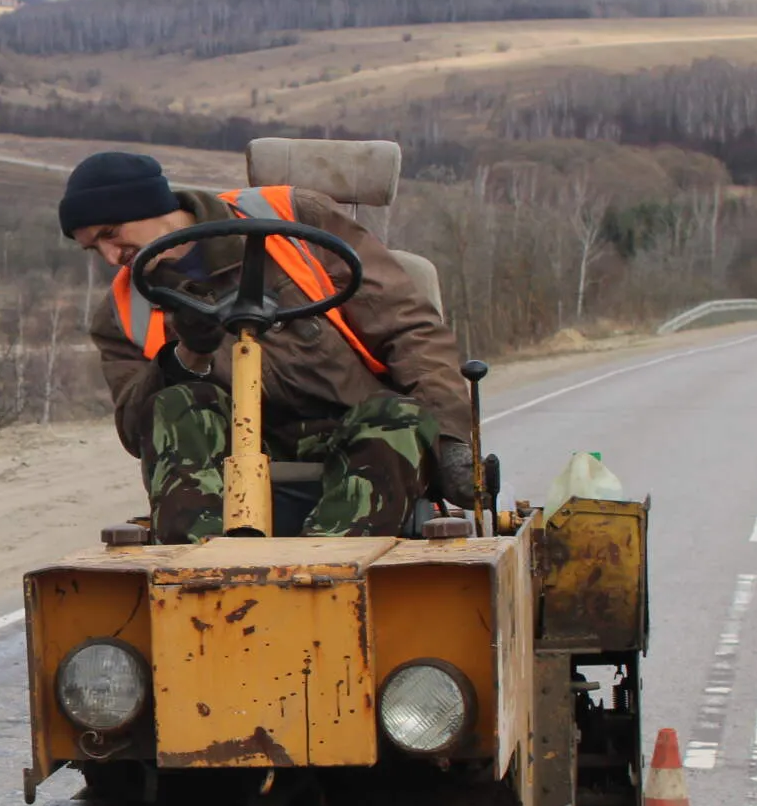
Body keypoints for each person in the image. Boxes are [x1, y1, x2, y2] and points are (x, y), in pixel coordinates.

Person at [65, 151, 477, 543]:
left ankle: (330, 567)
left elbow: (410, 330)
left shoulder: (295, 222)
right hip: (231, 455)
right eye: (93, 248)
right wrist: (190, 353)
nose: (110, 256)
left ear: (149, 205)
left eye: (111, 234)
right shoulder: (122, 312)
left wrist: (449, 439)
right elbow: (138, 430)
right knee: (177, 404)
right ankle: (207, 572)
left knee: (400, 417)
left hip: (353, 429)